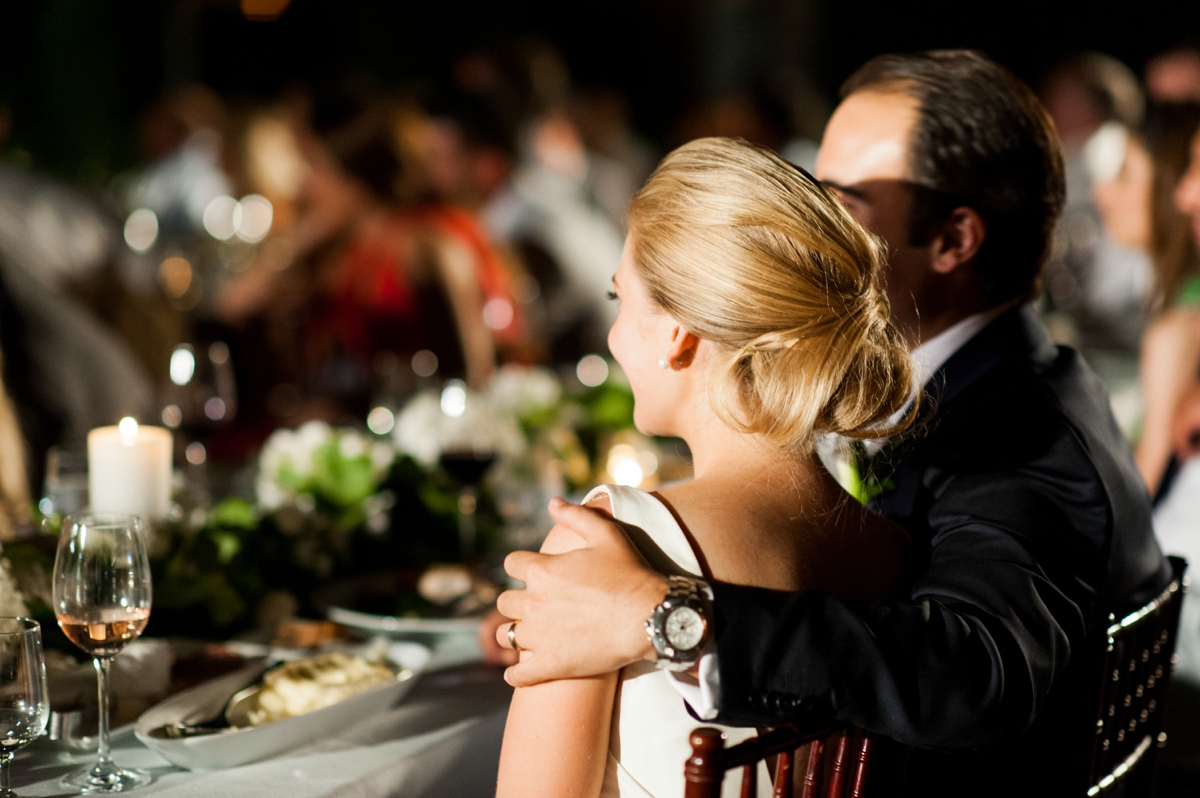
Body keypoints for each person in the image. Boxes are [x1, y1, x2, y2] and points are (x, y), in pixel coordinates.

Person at [495, 50, 1169, 796]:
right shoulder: (992, 394)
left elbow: (976, 673)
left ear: (955, 240)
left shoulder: (1017, 430)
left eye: (844, 196)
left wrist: (664, 615)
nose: (811, 219)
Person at [496, 137, 915, 798]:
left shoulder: (612, 544)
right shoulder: (890, 547)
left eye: (620, 302)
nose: (612, 336)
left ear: (676, 332)